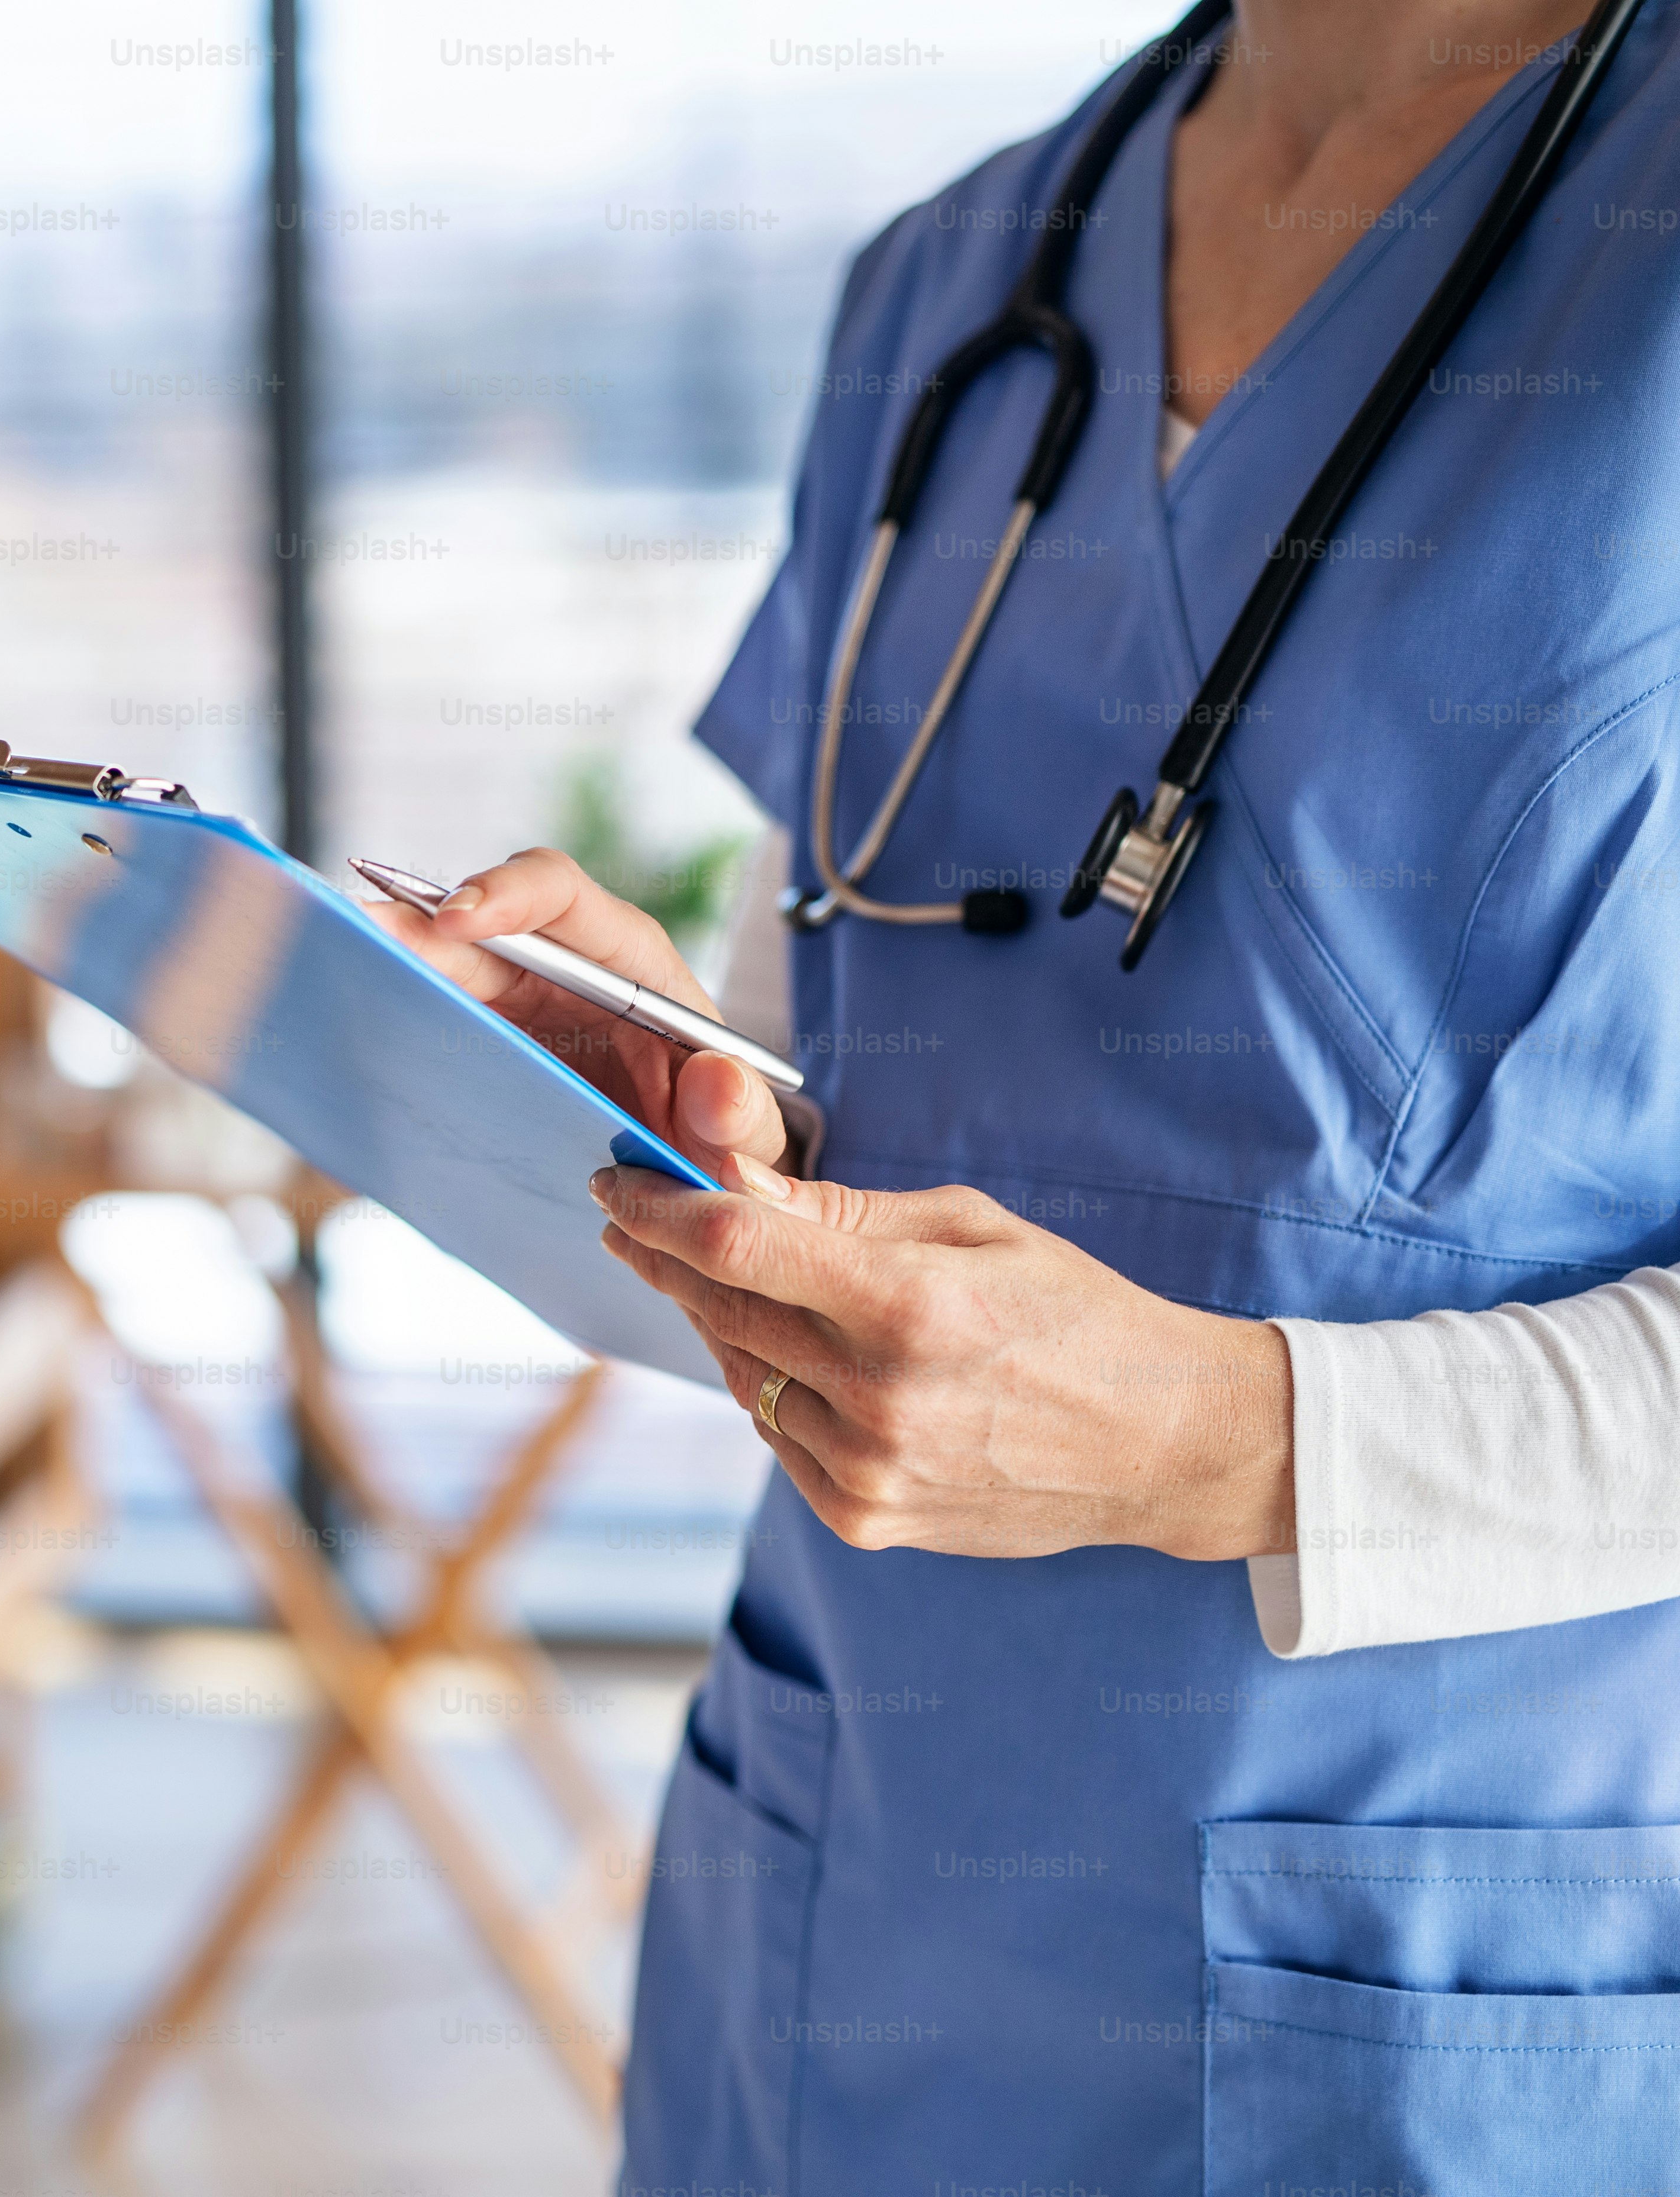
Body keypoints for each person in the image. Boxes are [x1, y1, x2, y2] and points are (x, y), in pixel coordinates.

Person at [383, 1, 1680, 2185]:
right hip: (840, 1877)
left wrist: (1223, 1438)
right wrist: (697, 1104)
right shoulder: (947, 277)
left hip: (1419, 1974)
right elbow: (905, 1025)